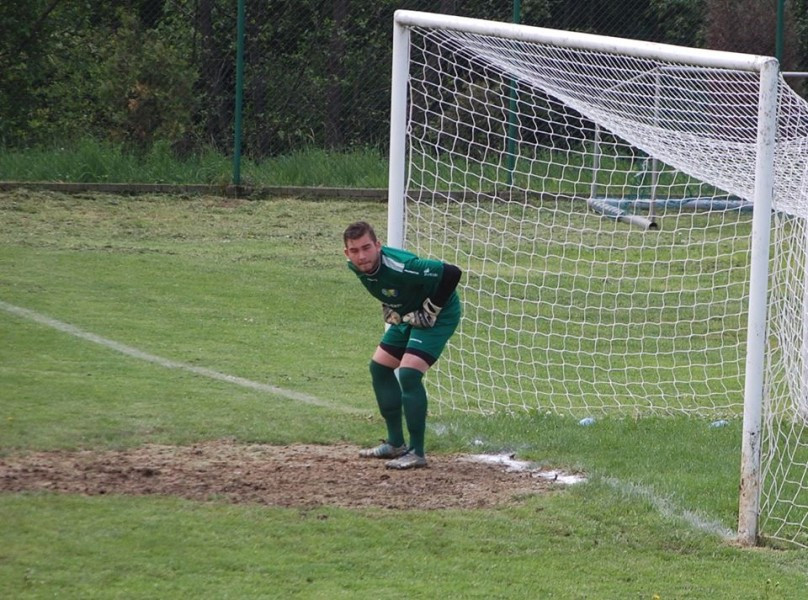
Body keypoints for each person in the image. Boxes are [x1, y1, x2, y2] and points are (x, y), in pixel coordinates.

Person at [343, 221, 462, 470]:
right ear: (347, 253)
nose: (361, 256)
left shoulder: (404, 266)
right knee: (380, 367)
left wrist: (433, 308)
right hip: (409, 312)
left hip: (438, 315)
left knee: (408, 373)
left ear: (378, 245)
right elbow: (383, 286)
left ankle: (416, 453)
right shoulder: (356, 267)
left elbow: (452, 272)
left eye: (366, 248)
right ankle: (395, 444)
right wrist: (390, 304)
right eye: (354, 251)